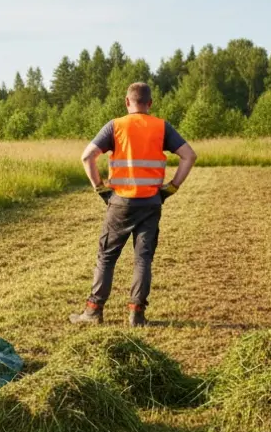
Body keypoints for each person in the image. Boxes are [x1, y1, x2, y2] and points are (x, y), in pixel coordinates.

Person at [70, 82, 196, 327]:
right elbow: (189, 155)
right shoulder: (162, 127)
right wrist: (172, 187)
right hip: (151, 202)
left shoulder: (115, 126)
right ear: (150, 103)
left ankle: (93, 312)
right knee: (143, 259)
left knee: (107, 257)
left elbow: (87, 157)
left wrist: (100, 188)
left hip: (120, 202)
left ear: (127, 102)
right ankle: (136, 315)